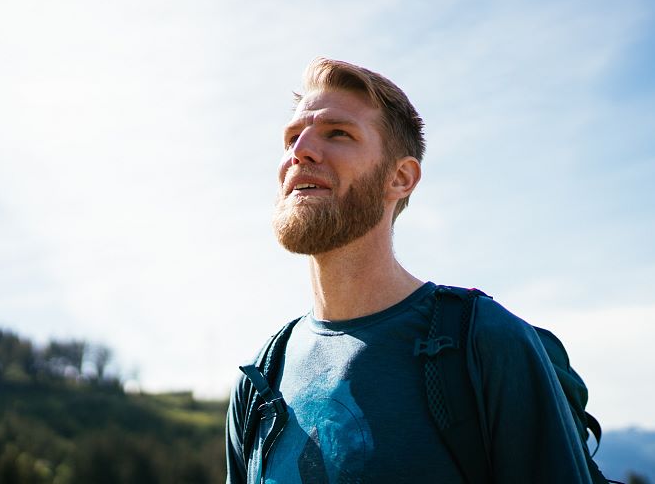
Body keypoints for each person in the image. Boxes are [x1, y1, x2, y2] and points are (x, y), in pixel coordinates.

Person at [225, 58, 594, 483]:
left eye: (338, 133)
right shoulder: (258, 382)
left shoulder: (486, 343)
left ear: (400, 178)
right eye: (292, 137)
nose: (299, 152)